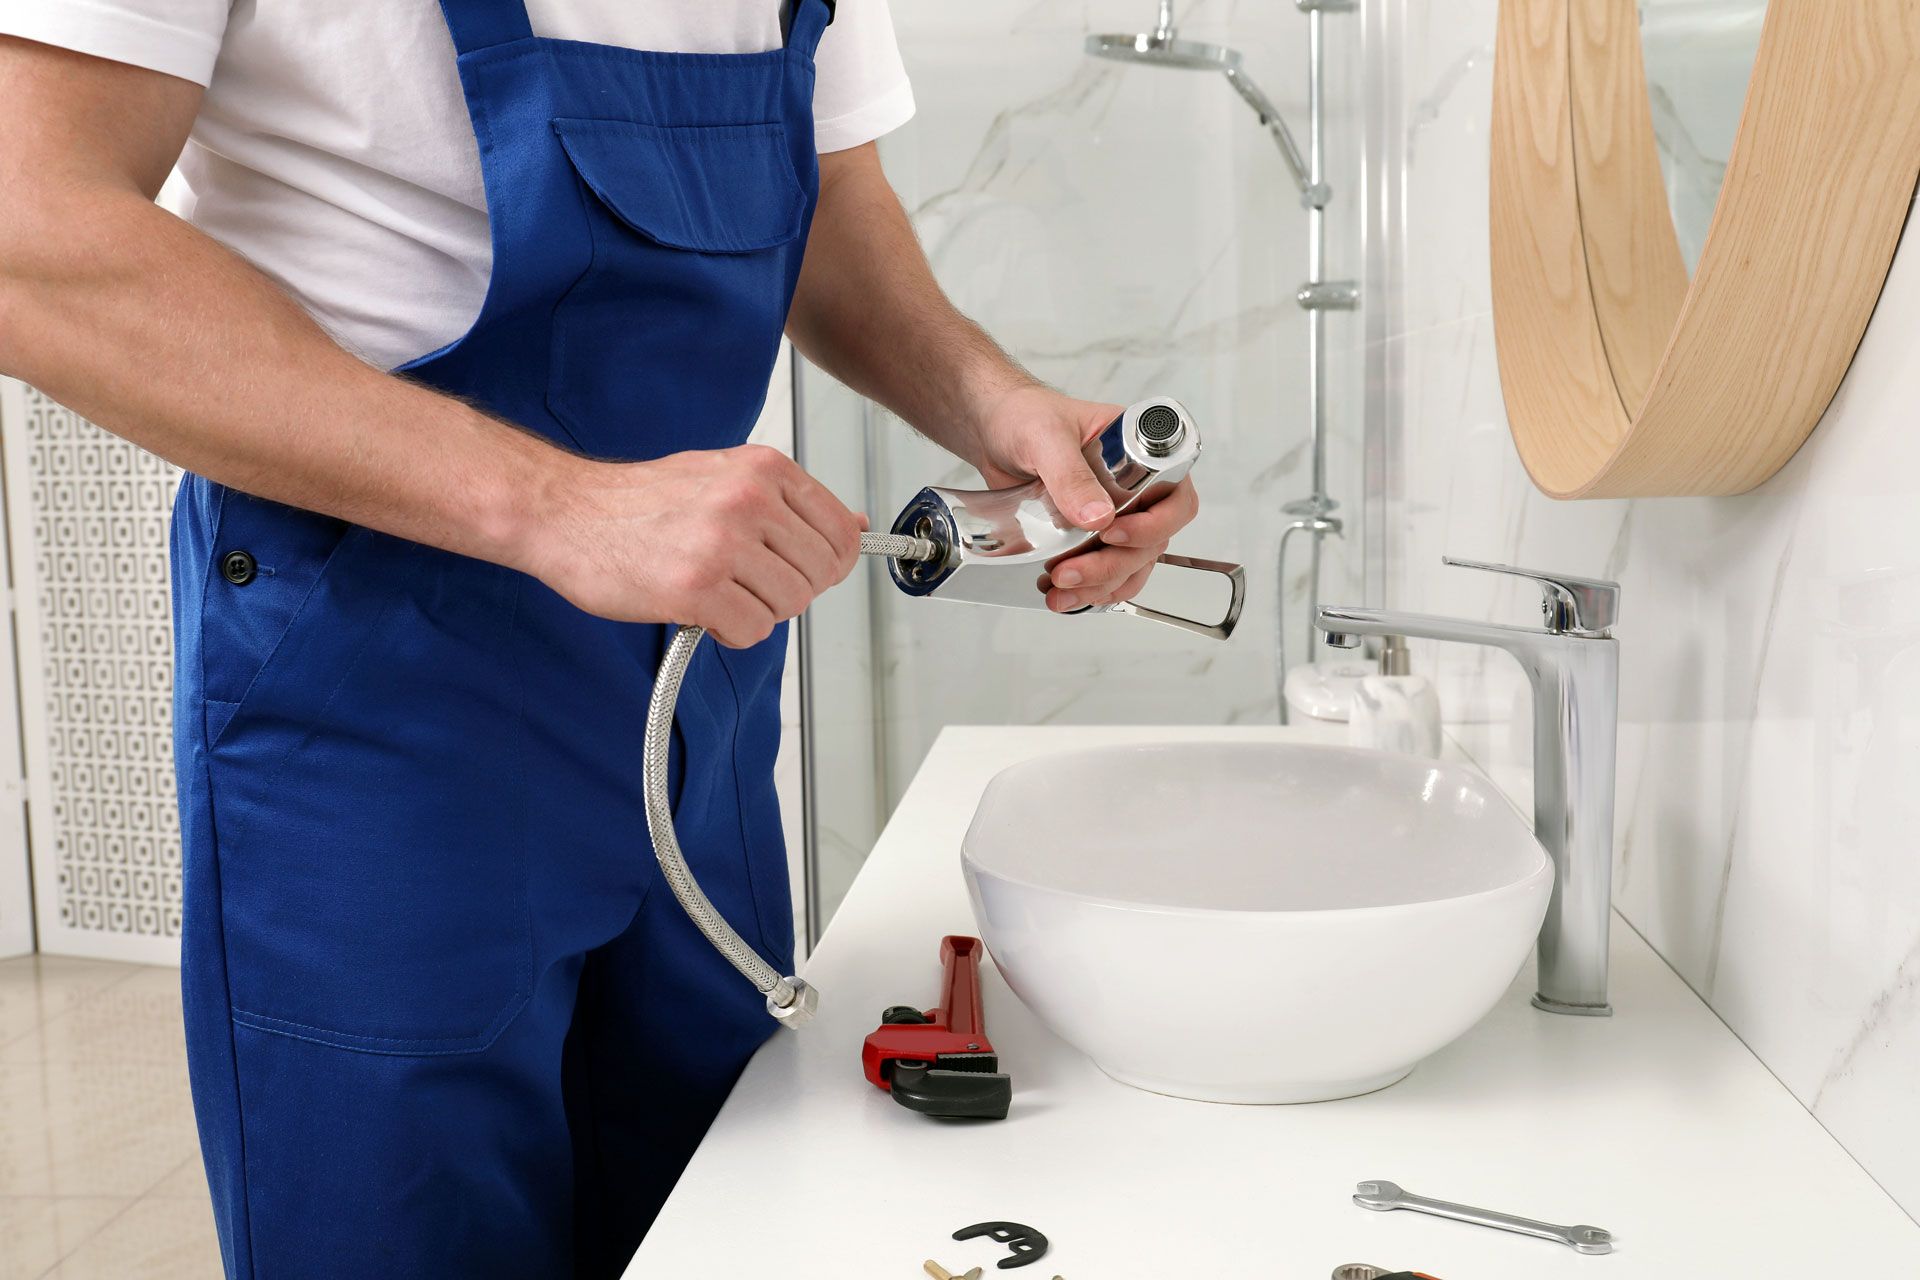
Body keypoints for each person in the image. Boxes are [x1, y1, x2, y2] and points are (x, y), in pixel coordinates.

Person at [0, 2, 1200, 1275]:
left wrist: (994, 404)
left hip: (692, 677)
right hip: (378, 695)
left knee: (715, 1206)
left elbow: (829, 197)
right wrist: (558, 505)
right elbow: (29, 228)